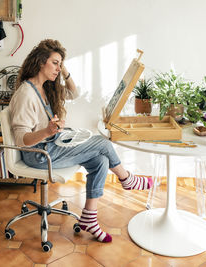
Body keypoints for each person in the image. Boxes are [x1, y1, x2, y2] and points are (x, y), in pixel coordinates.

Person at [9, 39, 153, 243]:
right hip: (39, 155)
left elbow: (74, 92)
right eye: (55, 63)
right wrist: (47, 131)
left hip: (52, 144)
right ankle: (127, 179)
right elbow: (21, 140)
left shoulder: (45, 87)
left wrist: (63, 70)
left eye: (60, 64)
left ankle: (89, 219)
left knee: (101, 160)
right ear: (41, 62)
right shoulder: (26, 94)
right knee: (102, 143)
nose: (58, 69)